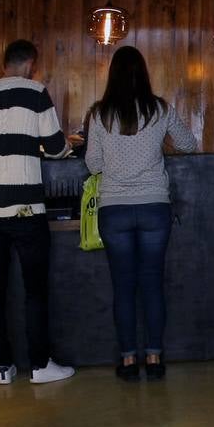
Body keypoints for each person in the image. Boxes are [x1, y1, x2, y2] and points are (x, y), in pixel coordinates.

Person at [0, 39, 76, 385]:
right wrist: (62, 146)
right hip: (25, 211)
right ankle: (39, 366)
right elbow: (54, 147)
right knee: (34, 290)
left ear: (4, 63)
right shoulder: (35, 92)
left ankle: (2, 369)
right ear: (31, 64)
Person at [84, 46, 199, 381]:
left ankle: (128, 361)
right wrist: (156, 146)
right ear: (144, 73)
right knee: (151, 283)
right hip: (153, 207)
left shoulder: (99, 113)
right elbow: (189, 144)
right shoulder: (159, 108)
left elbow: (93, 164)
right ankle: (154, 357)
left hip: (114, 209)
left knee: (123, 287)